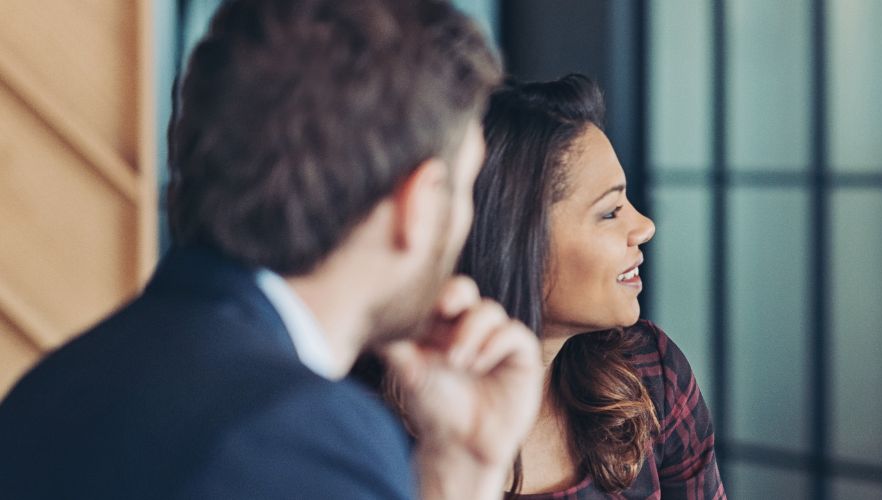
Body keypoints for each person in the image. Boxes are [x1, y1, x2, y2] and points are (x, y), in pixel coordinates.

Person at [0, 1, 544, 498]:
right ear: (418, 204)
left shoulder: (48, 390)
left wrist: (461, 468)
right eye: (466, 186)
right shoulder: (302, 434)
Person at [358, 75, 726, 499]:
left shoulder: (649, 373)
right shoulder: (360, 422)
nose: (644, 227)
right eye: (609, 213)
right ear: (513, 240)